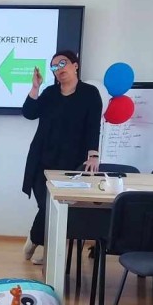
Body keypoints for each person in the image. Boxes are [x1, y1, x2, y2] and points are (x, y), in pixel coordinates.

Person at [21, 50, 103, 266]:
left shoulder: (89, 93)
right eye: (54, 67)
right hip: (42, 160)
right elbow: (29, 113)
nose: (58, 69)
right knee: (46, 206)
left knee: (58, 207)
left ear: (75, 65)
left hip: (71, 162)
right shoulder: (49, 93)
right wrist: (35, 88)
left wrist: (93, 155)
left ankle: (38, 241)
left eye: (62, 63)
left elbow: (93, 125)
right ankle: (39, 240)